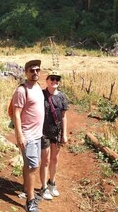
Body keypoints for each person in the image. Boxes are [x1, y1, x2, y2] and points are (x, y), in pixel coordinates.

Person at [12, 59, 44, 212]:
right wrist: (19, 135)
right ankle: (30, 201)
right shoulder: (21, 90)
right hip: (28, 135)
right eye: (32, 70)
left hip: (38, 135)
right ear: (26, 72)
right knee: (33, 166)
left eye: (37, 70)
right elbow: (16, 114)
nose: (35, 72)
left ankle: (26, 189)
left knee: (28, 164)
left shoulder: (38, 87)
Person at [39, 71, 69, 200]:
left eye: (57, 79)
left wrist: (64, 134)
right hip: (43, 132)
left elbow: (64, 116)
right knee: (45, 160)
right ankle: (44, 187)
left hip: (57, 133)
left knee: (54, 159)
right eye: (52, 79)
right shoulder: (41, 95)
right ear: (47, 80)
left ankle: (52, 184)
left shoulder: (62, 97)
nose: (55, 81)